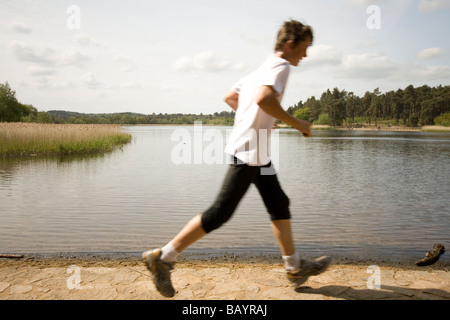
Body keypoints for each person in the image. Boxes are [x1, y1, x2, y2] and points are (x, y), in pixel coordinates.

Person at [142, 19, 331, 298]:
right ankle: (163, 257)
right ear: (290, 44)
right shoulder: (280, 66)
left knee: (279, 203)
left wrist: (262, 120)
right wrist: (296, 123)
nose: (305, 54)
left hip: (257, 155)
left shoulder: (261, 68)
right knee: (220, 212)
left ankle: (294, 267)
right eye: (304, 48)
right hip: (248, 154)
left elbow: (231, 97)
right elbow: (264, 99)